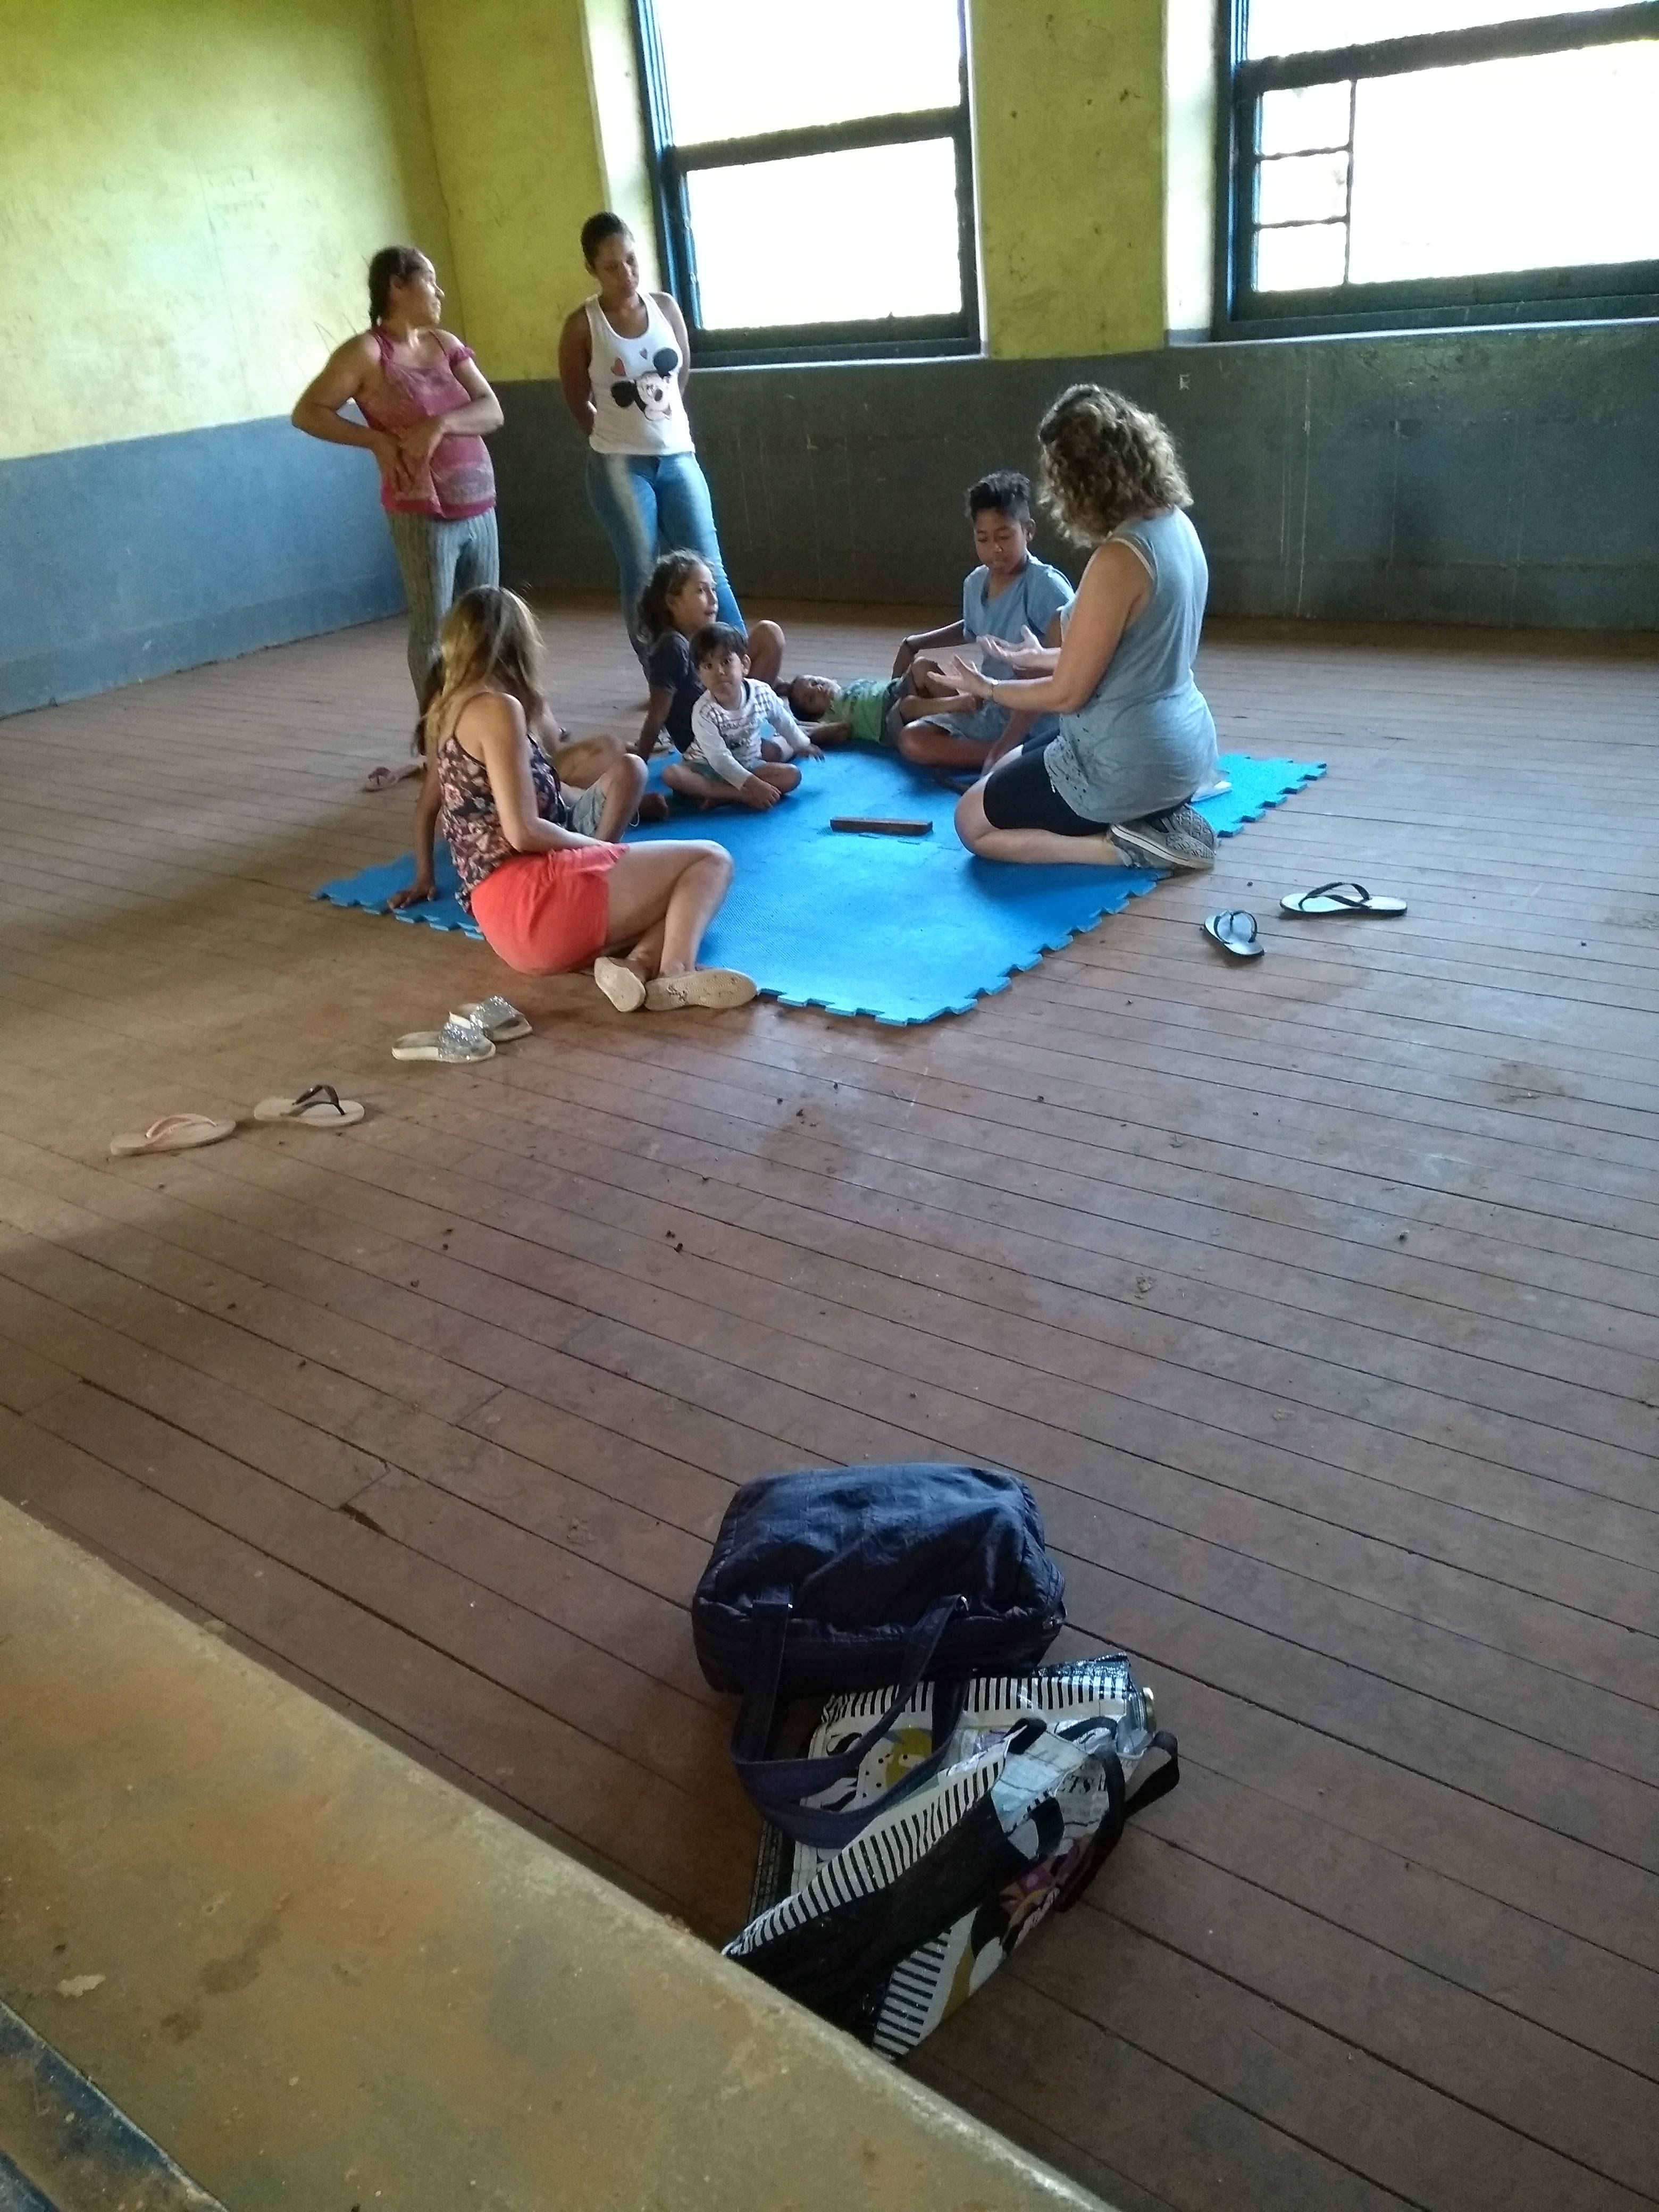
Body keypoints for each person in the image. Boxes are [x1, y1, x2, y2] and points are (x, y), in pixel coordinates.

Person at [392, 586, 755, 1011]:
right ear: (515, 642)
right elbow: (523, 832)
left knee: (681, 899)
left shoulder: (447, 709)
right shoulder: (497, 708)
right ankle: (676, 973)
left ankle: (636, 967)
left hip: (503, 921)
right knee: (711, 861)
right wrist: (599, 850)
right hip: (535, 904)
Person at [950, 386, 1221, 872]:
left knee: (971, 822)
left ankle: (1123, 848)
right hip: (1185, 750)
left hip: (1127, 762)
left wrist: (988, 687)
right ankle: (1153, 819)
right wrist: (1034, 657)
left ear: (1081, 480)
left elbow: (1067, 694)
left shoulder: (1119, 559)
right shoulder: (1177, 524)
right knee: (1005, 765)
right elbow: (1129, 652)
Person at [293, 246, 502, 698]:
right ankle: (436, 726)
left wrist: (441, 423)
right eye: (430, 280)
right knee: (434, 628)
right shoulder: (367, 353)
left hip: (479, 504)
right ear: (397, 286)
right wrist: (375, 440)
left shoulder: (445, 345)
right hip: (422, 510)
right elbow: (309, 412)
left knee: (488, 618)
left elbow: (492, 410)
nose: (440, 292)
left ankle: (490, 718)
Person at [558, 212, 763, 666]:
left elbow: (680, 374)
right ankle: (663, 672)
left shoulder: (666, 309)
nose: (626, 274)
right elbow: (576, 398)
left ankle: (739, 664)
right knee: (642, 567)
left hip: (677, 454)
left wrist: (663, 429)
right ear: (592, 269)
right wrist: (615, 437)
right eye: (612, 267)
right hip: (619, 463)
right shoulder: (582, 326)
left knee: (708, 563)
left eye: (631, 261)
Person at [887, 472, 1075, 773]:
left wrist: (1003, 747)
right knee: (910, 732)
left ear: (1028, 531)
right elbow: (973, 627)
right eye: (983, 539)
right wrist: (917, 642)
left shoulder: (1047, 587)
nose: (995, 549)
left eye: (1004, 537)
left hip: (1038, 714)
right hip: (992, 701)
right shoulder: (975, 582)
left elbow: (1061, 674)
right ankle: (1016, 755)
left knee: (915, 741)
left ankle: (1017, 752)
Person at [633, 552, 783, 763]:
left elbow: (736, 669)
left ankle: (765, 723)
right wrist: (640, 762)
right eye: (701, 590)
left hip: (728, 719)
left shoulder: (700, 637)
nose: (713, 599)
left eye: (713, 589)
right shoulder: (672, 646)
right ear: (673, 602)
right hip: (708, 742)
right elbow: (657, 714)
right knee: (780, 750)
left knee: (769, 634)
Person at [666, 624, 822, 810]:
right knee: (672, 774)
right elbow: (719, 758)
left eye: (726, 662)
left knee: (792, 776)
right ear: (700, 676)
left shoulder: (761, 692)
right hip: (706, 768)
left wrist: (801, 744)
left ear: (745, 665)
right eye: (709, 666)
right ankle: (738, 795)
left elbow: (782, 720)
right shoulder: (703, 711)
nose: (719, 672)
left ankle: (720, 796)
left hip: (749, 764)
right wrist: (754, 785)